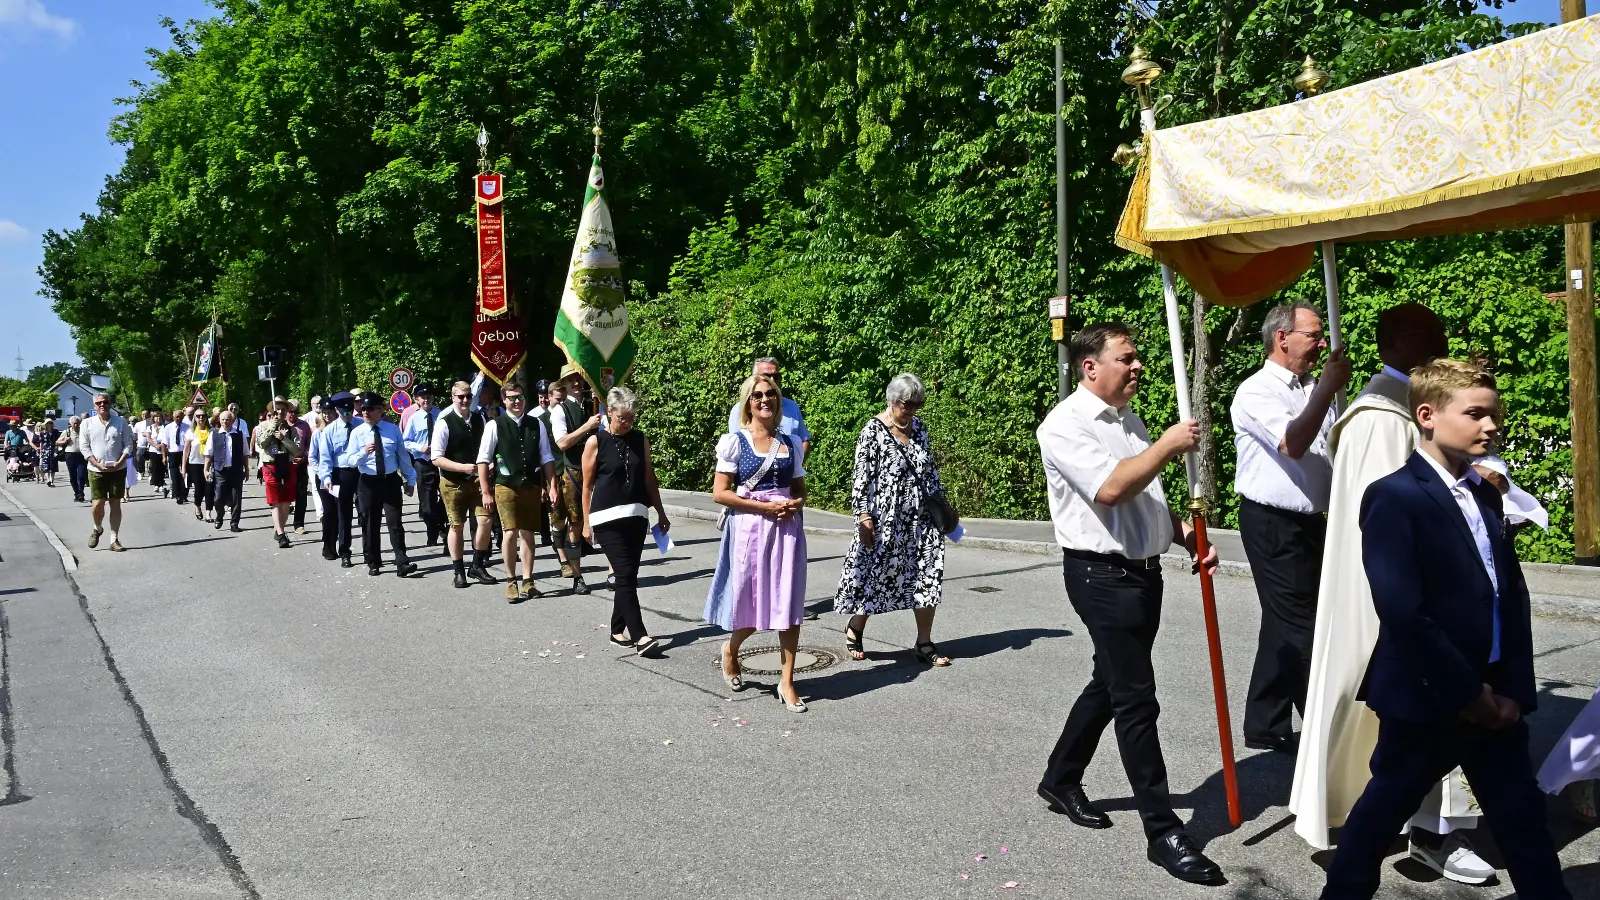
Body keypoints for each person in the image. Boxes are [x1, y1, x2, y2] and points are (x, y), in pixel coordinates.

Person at [1319, 360, 1569, 899]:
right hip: (1428, 695)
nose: (1491, 426)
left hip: (1495, 692)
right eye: (1475, 414)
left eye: (1494, 415)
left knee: (1523, 821)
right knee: (1380, 816)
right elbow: (1404, 612)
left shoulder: (1486, 492)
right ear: (1427, 416)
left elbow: (1509, 596)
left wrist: (1511, 689)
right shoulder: (1394, 496)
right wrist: (1469, 695)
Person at [1288, 304, 1495, 878]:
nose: (1444, 344)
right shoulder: (1379, 415)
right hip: (1403, 592)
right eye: (1433, 335)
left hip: (1437, 587)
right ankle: (1427, 831)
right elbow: (1405, 512)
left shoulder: (1408, 404)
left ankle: (1416, 829)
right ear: (1399, 343)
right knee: (1416, 713)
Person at [1034, 323, 1222, 886]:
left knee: (1112, 681)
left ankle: (1060, 777)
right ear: (1090, 366)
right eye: (1127, 358)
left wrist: (1185, 536)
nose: (1138, 366)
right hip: (1101, 578)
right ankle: (1163, 832)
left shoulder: (1128, 421)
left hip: (1143, 575)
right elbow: (1112, 489)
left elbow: (1145, 498)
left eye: (1138, 357)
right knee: (1137, 699)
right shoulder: (1064, 425)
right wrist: (1167, 445)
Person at [1231, 302, 1352, 754]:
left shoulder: (1311, 387)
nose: (1322, 344)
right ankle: (1326, 731)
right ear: (1282, 338)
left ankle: (1265, 719)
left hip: (1310, 520)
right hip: (1272, 522)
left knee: (1284, 620)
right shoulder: (1256, 391)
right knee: (1302, 626)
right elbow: (1292, 444)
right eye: (1313, 335)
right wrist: (1327, 390)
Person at [834, 373, 955, 666]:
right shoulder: (872, 431)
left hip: (921, 519)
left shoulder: (919, 428)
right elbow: (861, 478)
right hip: (885, 518)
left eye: (917, 404)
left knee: (927, 575)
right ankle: (856, 626)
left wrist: (943, 507)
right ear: (892, 400)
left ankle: (924, 642)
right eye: (907, 404)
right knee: (877, 575)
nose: (912, 409)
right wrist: (863, 516)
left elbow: (930, 471)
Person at [705, 373, 809, 712]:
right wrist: (763, 507)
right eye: (757, 395)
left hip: (786, 531)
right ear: (748, 403)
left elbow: (800, 491)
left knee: (788, 607)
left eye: (770, 394)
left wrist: (793, 505)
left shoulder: (790, 442)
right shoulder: (736, 441)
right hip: (750, 531)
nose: (765, 400)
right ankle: (731, 649)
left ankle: (787, 682)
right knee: (750, 606)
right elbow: (720, 493)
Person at [582, 386, 670, 654]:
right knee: (623, 575)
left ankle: (616, 629)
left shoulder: (640, 439)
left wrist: (661, 512)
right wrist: (585, 523)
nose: (628, 423)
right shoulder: (596, 442)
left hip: (636, 516)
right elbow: (586, 486)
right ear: (609, 413)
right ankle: (641, 636)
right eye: (623, 418)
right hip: (606, 519)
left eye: (631, 418)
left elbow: (649, 478)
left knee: (627, 576)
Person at [477, 381, 556, 600]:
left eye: (520, 397)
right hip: (506, 485)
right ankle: (511, 580)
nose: (517, 401)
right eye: (511, 398)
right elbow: (483, 459)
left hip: (531, 484)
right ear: (504, 400)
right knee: (510, 532)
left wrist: (552, 486)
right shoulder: (494, 425)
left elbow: (546, 456)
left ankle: (528, 580)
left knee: (528, 533)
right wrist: (485, 491)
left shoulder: (536, 424)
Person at [341, 392, 417, 577]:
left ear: (380, 410)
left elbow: (402, 456)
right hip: (368, 483)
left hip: (390, 481)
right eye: (363, 409)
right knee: (370, 524)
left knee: (395, 523)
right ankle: (373, 561)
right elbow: (349, 460)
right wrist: (363, 453)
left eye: (370, 409)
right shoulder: (358, 432)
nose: (365, 413)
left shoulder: (392, 430)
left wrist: (410, 480)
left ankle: (402, 562)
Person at [431, 380, 498, 588]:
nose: (465, 400)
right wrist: (463, 468)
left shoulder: (480, 418)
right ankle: (458, 571)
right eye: (460, 397)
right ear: (453, 397)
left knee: (485, 520)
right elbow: (436, 458)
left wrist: (490, 463)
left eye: (468, 396)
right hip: (453, 483)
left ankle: (477, 564)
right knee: (457, 526)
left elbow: (487, 448)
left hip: (478, 480)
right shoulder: (444, 422)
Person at [548, 366, 598, 593]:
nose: (576, 383)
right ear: (564, 385)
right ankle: (577, 576)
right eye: (571, 380)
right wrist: (587, 427)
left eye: (579, 379)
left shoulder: (591, 404)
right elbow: (562, 443)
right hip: (573, 472)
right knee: (574, 523)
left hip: (596, 470)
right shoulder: (560, 410)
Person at [78, 393, 135, 552]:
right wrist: (96, 463)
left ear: (110, 403)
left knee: (115, 504)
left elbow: (128, 444)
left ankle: (114, 539)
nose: (102, 404)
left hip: (118, 469)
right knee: (98, 503)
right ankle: (97, 528)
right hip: (96, 470)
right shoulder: (87, 423)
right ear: (94, 406)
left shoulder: (121, 422)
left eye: (105, 402)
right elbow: (84, 447)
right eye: (99, 403)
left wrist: (120, 461)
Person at [726, 357, 812, 459]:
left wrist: (794, 464)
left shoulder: (791, 407)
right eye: (766, 376)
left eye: (776, 376)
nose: (772, 380)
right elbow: (734, 447)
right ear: (754, 378)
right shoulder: (740, 409)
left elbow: (804, 441)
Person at [314, 393, 360, 566]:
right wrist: (325, 477)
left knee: (365, 513)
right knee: (342, 514)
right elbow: (324, 458)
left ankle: (370, 551)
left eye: (350, 411)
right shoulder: (328, 431)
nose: (347, 415)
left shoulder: (361, 425)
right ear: (337, 410)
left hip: (361, 472)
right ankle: (344, 551)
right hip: (339, 474)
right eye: (344, 411)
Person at [403, 383, 445, 547]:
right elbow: (406, 442)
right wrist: (420, 447)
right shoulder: (414, 418)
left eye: (428, 397)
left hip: (441, 461)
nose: (426, 400)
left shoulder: (441, 415)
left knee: (446, 497)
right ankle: (432, 533)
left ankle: (441, 524)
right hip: (423, 463)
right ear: (417, 400)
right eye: (423, 397)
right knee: (427, 503)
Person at [257, 398, 302, 548]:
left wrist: (283, 439)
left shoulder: (291, 429)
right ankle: (282, 534)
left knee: (286, 501)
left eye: (283, 409)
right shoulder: (263, 426)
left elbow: (296, 450)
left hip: (286, 465)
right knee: (275, 501)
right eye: (277, 409)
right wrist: (272, 428)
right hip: (270, 466)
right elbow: (261, 444)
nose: (280, 412)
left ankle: (279, 529)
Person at [207, 409, 248, 533]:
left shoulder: (239, 434)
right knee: (218, 498)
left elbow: (245, 454)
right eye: (223, 419)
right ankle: (219, 516)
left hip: (236, 471)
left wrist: (246, 469)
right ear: (219, 420)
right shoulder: (214, 434)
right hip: (220, 471)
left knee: (236, 498)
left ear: (233, 421)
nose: (225, 422)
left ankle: (234, 523)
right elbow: (208, 454)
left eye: (228, 420)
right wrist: (205, 469)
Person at [286, 399, 312, 533]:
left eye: (296, 412)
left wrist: (304, 457)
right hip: (284, 464)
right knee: (284, 495)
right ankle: (280, 524)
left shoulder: (304, 426)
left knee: (301, 494)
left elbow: (309, 444)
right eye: (290, 411)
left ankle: (299, 524)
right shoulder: (280, 425)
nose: (293, 414)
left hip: (300, 463)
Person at [184, 410, 216, 522]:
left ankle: (208, 513)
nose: (201, 418)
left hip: (209, 464)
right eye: (198, 416)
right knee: (199, 489)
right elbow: (186, 451)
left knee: (209, 489)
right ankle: (197, 505)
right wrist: (183, 467)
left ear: (206, 417)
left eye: (203, 415)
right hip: (195, 464)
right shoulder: (191, 432)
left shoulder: (212, 432)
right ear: (195, 418)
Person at [163, 407, 191, 505]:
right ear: (173, 417)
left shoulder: (187, 427)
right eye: (177, 417)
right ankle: (178, 495)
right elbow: (164, 443)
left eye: (180, 417)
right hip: (173, 453)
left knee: (185, 475)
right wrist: (164, 456)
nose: (178, 418)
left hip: (184, 453)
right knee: (175, 476)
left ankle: (184, 494)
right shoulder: (168, 427)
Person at [61, 416, 88, 503]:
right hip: (70, 455)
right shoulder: (67, 432)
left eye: (77, 423)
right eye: (74, 423)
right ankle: (77, 493)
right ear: (71, 424)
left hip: (81, 455)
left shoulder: (83, 431)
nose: (76, 425)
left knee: (81, 475)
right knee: (73, 476)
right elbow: (57, 442)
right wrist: (64, 441)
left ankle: (81, 493)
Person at [145, 411, 167, 496]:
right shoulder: (150, 427)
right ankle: (156, 484)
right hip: (153, 450)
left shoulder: (165, 427)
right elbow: (148, 439)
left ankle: (161, 484)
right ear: (153, 418)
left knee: (162, 467)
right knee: (154, 467)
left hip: (163, 449)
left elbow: (166, 438)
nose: (158, 418)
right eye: (156, 417)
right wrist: (155, 445)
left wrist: (162, 445)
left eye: (159, 417)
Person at [36, 419, 60, 487]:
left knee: (53, 466)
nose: (49, 425)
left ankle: (52, 480)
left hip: (53, 450)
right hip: (45, 451)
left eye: (50, 423)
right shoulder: (43, 432)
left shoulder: (55, 432)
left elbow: (58, 440)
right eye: (48, 423)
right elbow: (41, 443)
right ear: (45, 425)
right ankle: (48, 480)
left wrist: (57, 450)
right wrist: (41, 452)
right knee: (46, 466)